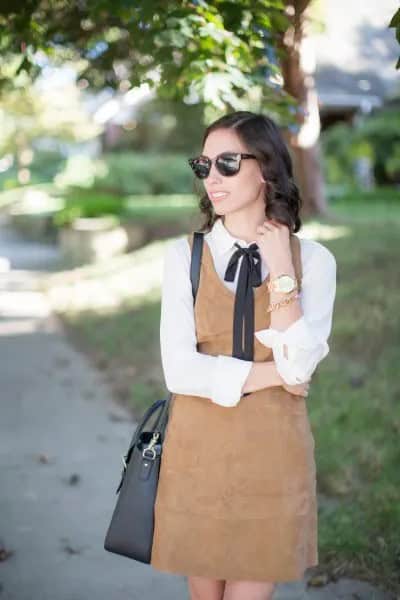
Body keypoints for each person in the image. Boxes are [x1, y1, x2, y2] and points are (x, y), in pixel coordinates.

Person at [150, 111, 337, 600]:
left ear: (267, 168)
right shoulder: (184, 257)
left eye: (228, 162)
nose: (213, 177)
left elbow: (300, 362)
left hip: (273, 454)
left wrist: (280, 269)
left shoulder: (313, 261)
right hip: (197, 450)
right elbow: (180, 370)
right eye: (204, 164)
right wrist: (278, 373)